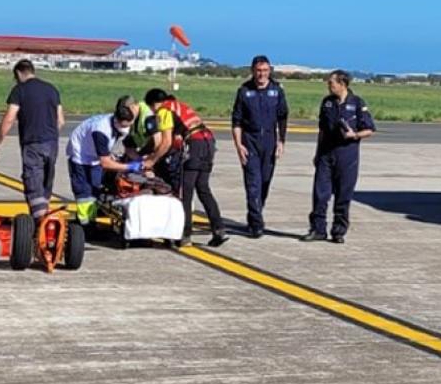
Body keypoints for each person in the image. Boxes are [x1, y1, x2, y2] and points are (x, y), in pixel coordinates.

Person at [302, 69, 375, 244]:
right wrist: (317, 153)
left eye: (331, 83)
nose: (329, 86)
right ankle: (318, 229)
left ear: (342, 84)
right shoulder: (327, 103)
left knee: (343, 195)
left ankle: (338, 230)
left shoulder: (357, 103)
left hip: (347, 155)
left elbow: (370, 129)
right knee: (320, 194)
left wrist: (355, 135)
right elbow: (322, 130)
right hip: (326, 154)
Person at [0, 59, 64, 222]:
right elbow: (60, 121)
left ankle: (39, 223)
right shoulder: (52, 89)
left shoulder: (19, 90)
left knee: (33, 182)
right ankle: (46, 217)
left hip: (32, 143)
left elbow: (9, 118)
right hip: (52, 143)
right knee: (46, 182)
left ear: (18, 73)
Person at [155, 92, 227, 248]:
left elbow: (167, 141)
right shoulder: (183, 107)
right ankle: (219, 229)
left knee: (185, 192)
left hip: (195, 145)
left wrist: (152, 159)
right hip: (208, 141)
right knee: (203, 189)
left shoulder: (164, 110)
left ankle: (185, 234)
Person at [230, 55, 288, 238]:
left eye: (265, 71)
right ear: (252, 71)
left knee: (264, 182)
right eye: (258, 71)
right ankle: (256, 223)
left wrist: (281, 141)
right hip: (250, 141)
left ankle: (255, 213)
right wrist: (239, 145)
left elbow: (282, 117)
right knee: (252, 183)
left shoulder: (277, 91)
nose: (261, 74)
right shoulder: (244, 91)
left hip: (269, 141)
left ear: (269, 71)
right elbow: (236, 121)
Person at [65, 97, 140, 230]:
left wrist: (141, 161)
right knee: (84, 193)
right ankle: (85, 226)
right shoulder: (101, 130)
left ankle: (91, 219)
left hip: (94, 155)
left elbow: (129, 147)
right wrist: (128, 167)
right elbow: (105, 163)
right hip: (81, 155)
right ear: (117, 121)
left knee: (95, 188)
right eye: (124, 126)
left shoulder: (122, 122)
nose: (126, 129)